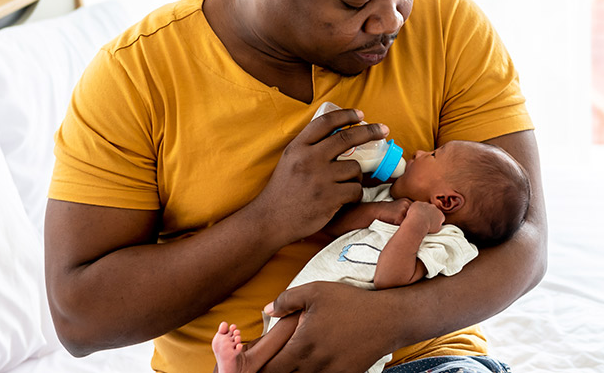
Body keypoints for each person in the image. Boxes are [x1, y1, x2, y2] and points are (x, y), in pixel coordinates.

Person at [45, 0, 546, 373]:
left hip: (423, 359)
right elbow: (79, 319)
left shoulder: (450, 26)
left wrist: (386, 321)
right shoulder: (136, 75)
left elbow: (527, 243)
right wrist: (270, 219)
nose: (393, 18)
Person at [211, 140, 532, 373]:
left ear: (446, 200)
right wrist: (379, 210)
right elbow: (332, 226)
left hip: (360, 331)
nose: (419, 152)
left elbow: (390, 278)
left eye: (433, 155)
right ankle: (247, 361)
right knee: (292, 321)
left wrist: (415, 225)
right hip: (312, 296)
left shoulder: (449, 240)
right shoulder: (388, 196)